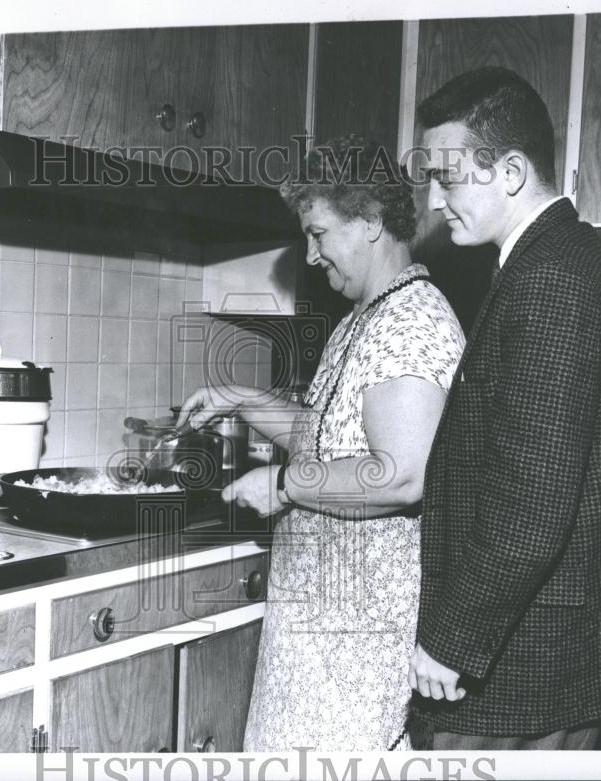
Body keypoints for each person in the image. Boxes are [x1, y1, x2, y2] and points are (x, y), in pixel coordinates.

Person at [177, 135, 465, 751]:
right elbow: (329, 442)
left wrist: (284, 485)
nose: (310, 256)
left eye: (318, 233)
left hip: (355, 657)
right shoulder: (363, 318)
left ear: (370, 221)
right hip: (313, 642)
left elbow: (400, 474)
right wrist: (245, 400)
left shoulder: (412, 322)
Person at [408, 67, 601, 749]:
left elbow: (530, 504)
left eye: (447, 179)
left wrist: (451, 642)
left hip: (526, 680)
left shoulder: (549, 282)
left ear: (510, 170)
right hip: (555, 667)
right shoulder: (565, 260)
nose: (433, 199)